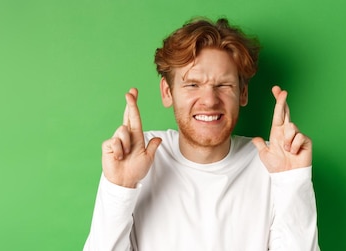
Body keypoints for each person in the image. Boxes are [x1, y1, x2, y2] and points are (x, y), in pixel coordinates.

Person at [83, 17, 320, 250]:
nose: (209, 100)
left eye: (223, 85)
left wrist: (292, 182)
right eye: (192, 84)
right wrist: (120, 187)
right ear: (167, 92)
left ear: (243, 93)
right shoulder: (135, 158)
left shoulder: (273, 164)